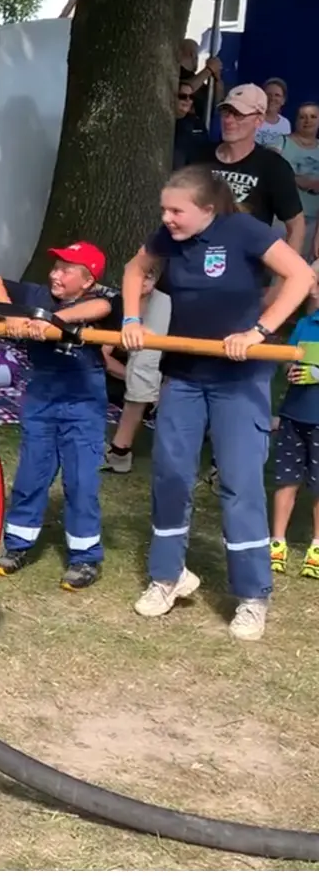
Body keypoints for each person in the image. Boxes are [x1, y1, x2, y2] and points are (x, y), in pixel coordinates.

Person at [119, 164, 316, 641]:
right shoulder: (168, 237)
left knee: (240, 484)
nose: (166, 218)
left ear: (207, 209)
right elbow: (134, 267)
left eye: (176, 210)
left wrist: (259, 331)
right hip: (184, 375)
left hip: (239, 380)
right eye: (164, 209)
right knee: (170, 475)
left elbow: (298, 276)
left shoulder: (245, 231)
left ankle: (252, 596)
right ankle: (168, 577)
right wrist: (131, 316)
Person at [0, 243, 117, 590]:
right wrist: (13, 315)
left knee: (80, 482)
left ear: (87, 281)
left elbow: (105, 305)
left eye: (66, 269)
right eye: (55, 267)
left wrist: (50, 320)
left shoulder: (103, 302)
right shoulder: (36, 293)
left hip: (83, 400)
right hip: (41, 396)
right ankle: (17, 545)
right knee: (31, 474)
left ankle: (85, 557)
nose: (55, 275)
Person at [187, 83, 305, 252]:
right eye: (226, 112)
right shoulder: (198, 158)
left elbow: (296, 226)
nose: (229, 120)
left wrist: (287, 275)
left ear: (258, 120)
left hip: (246, 271)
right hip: (193, 266)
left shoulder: (273, 166)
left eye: (238, 115)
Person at [100, 266, 171, 474]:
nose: (145, 280)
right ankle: (119, 452)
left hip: (166, 380)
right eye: (142, 275)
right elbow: (102, 357)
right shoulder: (119, 306)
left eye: (150, 275)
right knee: (143, 364)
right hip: (127, 379)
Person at [270, 281, 319, 579]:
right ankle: (278, 542)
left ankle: (316, 546)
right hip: (293, 414)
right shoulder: (305, 322)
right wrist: (290, 367)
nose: (313, 287)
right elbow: (290, 356)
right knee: (286, 478)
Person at [279, 102, 319, 262]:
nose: (307, 120)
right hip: (282, 221)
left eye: (313, 117)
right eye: (302, 117)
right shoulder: (280, 142)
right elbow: (269, 171)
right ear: (295, 121)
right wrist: (298, 180)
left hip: (315, 223)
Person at [255, 78, 292, 148]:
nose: (272, 98)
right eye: (268, 94)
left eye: (277, 95)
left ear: (283, 100)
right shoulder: (251, 119)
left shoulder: (285, 123)